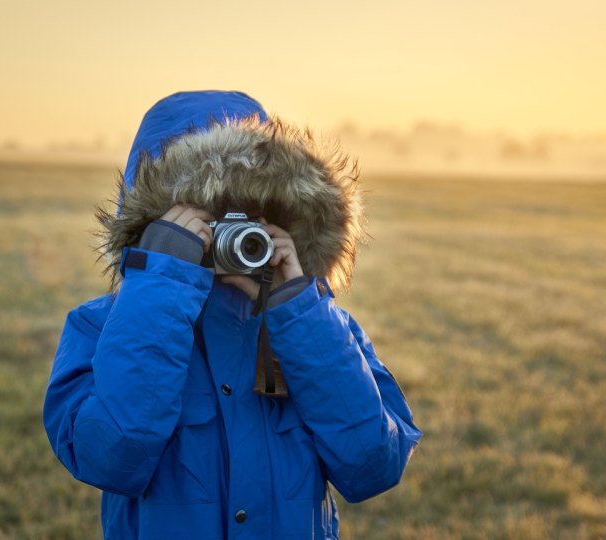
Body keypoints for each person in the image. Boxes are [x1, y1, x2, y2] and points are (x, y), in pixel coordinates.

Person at [43, 90, 421, 539]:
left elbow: (373, 464)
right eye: (205, 217)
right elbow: (111, 456)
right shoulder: (100, 327)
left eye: (246, 213)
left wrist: (295, 306)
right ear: (155, 223)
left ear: (280, 214)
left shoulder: (315, 324)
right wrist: (164, 279)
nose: (229, 233)